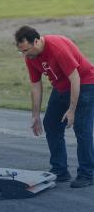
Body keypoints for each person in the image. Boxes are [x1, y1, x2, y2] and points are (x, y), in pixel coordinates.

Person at [15, 26, 94, 188]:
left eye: (26, 50)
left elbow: (75, 78)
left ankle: (88, 173)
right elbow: (36, 86)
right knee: (51, 124)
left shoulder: (57, 48)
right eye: (21, 51)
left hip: (85, 84)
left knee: (81, 128)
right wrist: (35, 115)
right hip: (61, 88)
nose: (25, 55)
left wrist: (71, 110)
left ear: (36, 41)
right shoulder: (31, 57)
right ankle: (60, 170)